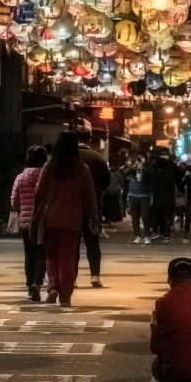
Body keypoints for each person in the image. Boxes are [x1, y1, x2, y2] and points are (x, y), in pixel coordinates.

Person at [32, 131, 98, 306]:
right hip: (73, 221)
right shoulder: (83, 169)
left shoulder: (48, 167)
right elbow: (90, 197)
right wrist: (94, 218)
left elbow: (39, 192)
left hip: (51, 218)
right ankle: (66, 296)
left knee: (51, 255)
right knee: (68, 258)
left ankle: (53, 287)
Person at [74, 127, 110, 288]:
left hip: (71, 205)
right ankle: (95, 275)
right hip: (94, 205)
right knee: (92, 241)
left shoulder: (69, 158)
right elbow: (106, 182)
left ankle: (72, 277)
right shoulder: (98, 158)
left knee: (72, 242)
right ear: (90, 139)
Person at [11, 145, 48, 301]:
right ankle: (37, 283)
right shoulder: (47, 176)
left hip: (26, 222)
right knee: (42, 253)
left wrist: (21, 210)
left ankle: (29, 284)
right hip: (43, 221)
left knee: (29, 254)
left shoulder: (20, 177)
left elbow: (14, 202)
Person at [152, 149, 182, 242]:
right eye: (162, 154)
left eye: (165, 154)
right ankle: (166, 235)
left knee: (161, 216)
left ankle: (162, 233)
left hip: (159, 198)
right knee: (167, 217)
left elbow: (153, 186)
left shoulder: (157, 172)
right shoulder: (170, 173)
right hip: (169, 198)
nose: (163, 155)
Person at [126, 151, 153, 245]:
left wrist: (143, 167)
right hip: (132, 195)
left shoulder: (148, 167)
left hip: (144, 195)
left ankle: (147, 236)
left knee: (145, 216)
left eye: (142, 158)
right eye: (138, 158)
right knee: (135, 218)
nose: (140, 160)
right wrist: (134, 166)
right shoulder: (133, 167)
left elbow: (150, 176)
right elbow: (125, 173)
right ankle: (137, 236)